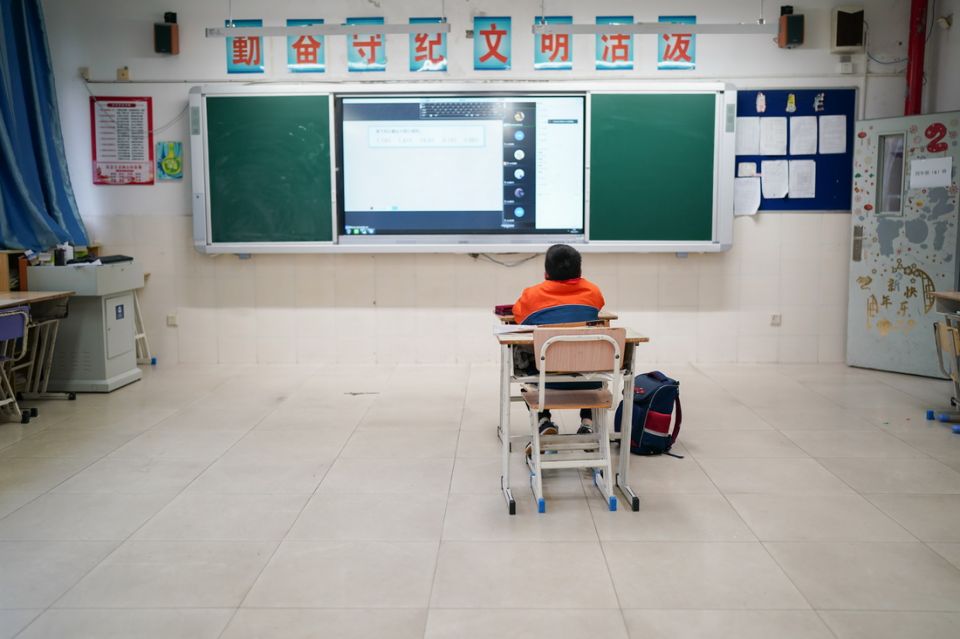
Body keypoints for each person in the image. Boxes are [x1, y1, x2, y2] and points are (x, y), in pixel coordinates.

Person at [513, 244, 605, 442]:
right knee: (584, 356)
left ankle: (543, 420)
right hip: (589, 379)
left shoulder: (532, 296)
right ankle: (587, 423)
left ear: (546, 273)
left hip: (544, 379)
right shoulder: (593, 292)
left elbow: (518, 317)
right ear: (579, 271)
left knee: (524, 354)